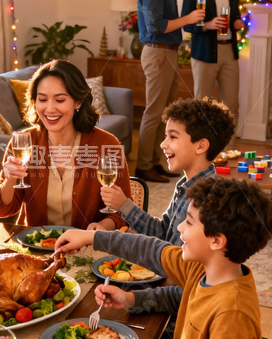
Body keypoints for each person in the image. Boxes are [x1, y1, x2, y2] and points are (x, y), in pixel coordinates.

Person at [54, 177, 272, 339]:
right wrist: (93, 239)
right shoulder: (205, 269)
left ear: (216, 240)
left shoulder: (232, 313)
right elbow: (152, 251)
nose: (179, 227)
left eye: (189, 222)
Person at [0, 60, 131, 230]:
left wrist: (102, 227)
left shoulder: (107, 145)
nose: (50, 109)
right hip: (37, 243)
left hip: (87, 244)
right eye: (42, 99)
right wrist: (10, 179)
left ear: (78, 102)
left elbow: (123, 211)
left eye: (60, 100)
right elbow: (3, 209)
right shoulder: (23, 143)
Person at [100, 97, 235, 246]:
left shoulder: (205, 198)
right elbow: (163, 232)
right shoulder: (186, 185)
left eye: (173, 137)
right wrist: (124, 205)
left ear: (201, 146)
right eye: (166, 136)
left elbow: (174, 254)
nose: (163, 144)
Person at [136, 0, 205, 183]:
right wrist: (188, 19)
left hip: (166, 53)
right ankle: (143, 166)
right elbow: (155, 26)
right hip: (158, 53)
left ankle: (154, 162)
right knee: (154, 113)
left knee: (164, 114)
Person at [182, 0, 245, 144]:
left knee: (232, 104)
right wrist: (207, 25)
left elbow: (234, 16)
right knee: (203, 106)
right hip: (204, 52)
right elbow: (186, 24)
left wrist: (237, 23)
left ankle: (229, 148)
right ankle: (202, 148)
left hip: (229, 52)